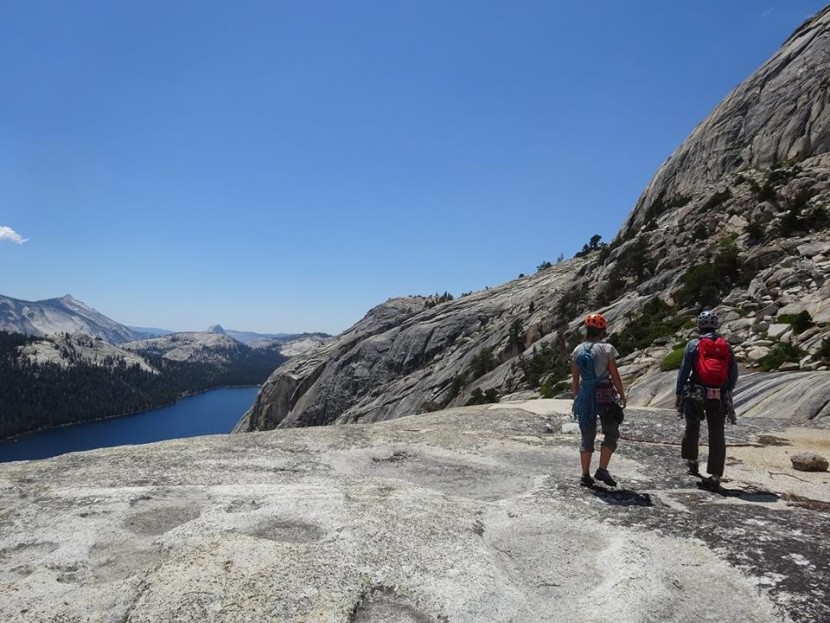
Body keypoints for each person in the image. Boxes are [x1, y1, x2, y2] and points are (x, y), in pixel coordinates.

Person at [675, 309, 739, 491]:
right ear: (716, 325)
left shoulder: (693, 345)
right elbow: (733, 373)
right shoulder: (726, 345)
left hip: (697, 393)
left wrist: (679, 392)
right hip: (719, 394)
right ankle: (716, 475)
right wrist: (726, 390)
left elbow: (684, 370)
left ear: (699, 326)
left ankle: (691, 460)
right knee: (717, 433)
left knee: (692, 425)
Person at [571, 312, 627, 487]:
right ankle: (602, 470)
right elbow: (614, 375)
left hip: (585, 397)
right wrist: (622, 393)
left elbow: (575, 379)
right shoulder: (607, 349)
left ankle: (585, 475)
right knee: (611, 433)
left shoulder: (577, 350)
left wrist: (576, 398)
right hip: (605, 396)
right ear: (602, 331)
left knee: (586, 436)